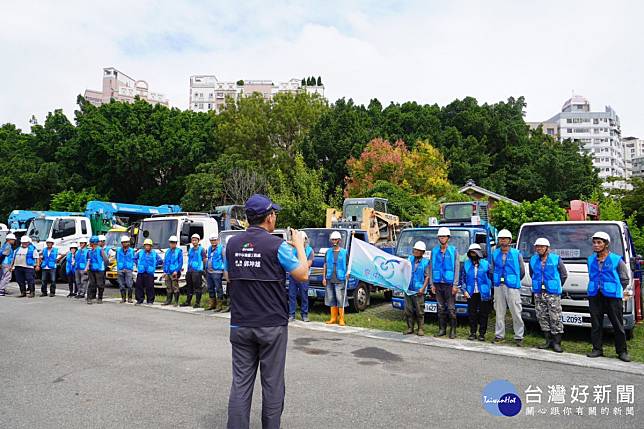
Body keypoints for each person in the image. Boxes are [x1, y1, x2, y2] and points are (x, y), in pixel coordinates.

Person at [224, 194, 309, 429]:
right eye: (275, 214)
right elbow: (302, 274)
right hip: (271, 325)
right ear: (269, 217)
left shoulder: (231, 245)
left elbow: (229, 276)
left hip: (240, 324)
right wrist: (300, 246)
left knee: (241, 384)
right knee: (272, 384)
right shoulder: (278, 246)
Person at [586, 231, 631, 362]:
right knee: (596, 324)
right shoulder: (590, 260)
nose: (596, 245)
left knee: (617, 324)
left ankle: (622, 351)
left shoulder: (617, 260)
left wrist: (615, 290)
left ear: (606, 244)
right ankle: (597, 349)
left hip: (613, 297)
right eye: (594, 242)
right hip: (595, 295)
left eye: (599, 242)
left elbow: (624, 279)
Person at [529, 238, 568, 353]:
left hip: (552, 293)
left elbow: (563, 275)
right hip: (539, 292)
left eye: (541, 246)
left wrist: (555, 285)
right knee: (542, 316)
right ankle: (548, 341)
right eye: (537, 247)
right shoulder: (533, 259)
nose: (539, 248)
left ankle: (557, 343)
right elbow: (532, 274)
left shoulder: (556, 259)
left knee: (555, 317)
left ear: (547, 248)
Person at [490, 229, 526, 346]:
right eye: (501, 239)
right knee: (499, 312)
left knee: (516, 311)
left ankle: (519, 336)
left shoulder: (516, 254)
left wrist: (513, 281)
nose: (503, 240)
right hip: (498, 286)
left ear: (510, 240)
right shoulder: (495, 253)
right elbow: (492, 269)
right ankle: (499, 335)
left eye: (505, 238)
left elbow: (522, 271)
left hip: (512, 287)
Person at [429, 227, 460, 338]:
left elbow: (457, 268)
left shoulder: (453, 251)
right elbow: (431, 267)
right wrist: (431, 284)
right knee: (440, 307)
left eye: (444, 236)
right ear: (438, 238)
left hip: (449, 284)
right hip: (438, 283)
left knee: (451, 308)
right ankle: (442, 329)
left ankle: (453, 331)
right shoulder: (434, 251)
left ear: (448, 238)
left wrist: (455, 284)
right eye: (440, 236)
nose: (442, 238)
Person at [460, 243, 492, 341]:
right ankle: (473, 333)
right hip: (471, 292)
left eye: (475, 252)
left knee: (483, 313)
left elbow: (491, 278)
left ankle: (482, 334)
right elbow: (462, 279)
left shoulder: (486, 264)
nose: (473, 254)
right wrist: (464, 291)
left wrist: (490, 290)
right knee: (472, 313)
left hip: (484, 292)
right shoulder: (466, 264)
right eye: (471, 253)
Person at [322, 231, 349, 326]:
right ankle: (333, 318)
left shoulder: (344, 252)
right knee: (331, 298)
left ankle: (341, 319)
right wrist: (324, 278)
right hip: (329, 278)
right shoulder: (328, 252)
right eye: (333, 239)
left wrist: (348, 274)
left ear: (339, 240)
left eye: (336, 239)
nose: (334, 241)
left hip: (340, 278)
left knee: (340, 298)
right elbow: (325, 264)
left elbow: (348, 265)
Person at [404, 241, 429, 336]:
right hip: (408, 288)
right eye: (414, 250)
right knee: (408, 310)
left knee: (419, 310)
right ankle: (410, 328)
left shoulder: (426, 262)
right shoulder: (409, 259)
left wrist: (423, 289)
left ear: (422, 252)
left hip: (419, 290)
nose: (415, 251)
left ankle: (420, 329)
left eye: (418, 250)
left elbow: (427, 276)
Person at [288, 231, 314, 322]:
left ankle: (304, 314)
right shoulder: (293, 249)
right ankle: (291, 314)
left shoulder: (310, 250)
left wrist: (299, 267)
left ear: (305, 240)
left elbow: (309, 263)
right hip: (293, 276)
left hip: (304, 276)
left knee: (304, 295)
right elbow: (290, 262)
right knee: (291, 295)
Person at [181, 234, 206, 308]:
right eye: (193, 240)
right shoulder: (190, 249)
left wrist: (204, 270)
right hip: (190, 270)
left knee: (197, 287)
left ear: (199, 241)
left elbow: (204, 260)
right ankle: (188, 301)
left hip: (198, 270)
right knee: (189, 287)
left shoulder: (202, 249)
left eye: (195, 240)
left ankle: (197, 303)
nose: (194, 242)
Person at [134, 238, 162, 305]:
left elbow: (160, 260)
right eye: (146, 245)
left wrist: (154, 265)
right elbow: (134, 258)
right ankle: (139, 299)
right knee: (139, 286)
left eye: (148, 245)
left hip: (149, 272)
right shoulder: (140, 252)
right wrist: (138, 264)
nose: (147, 247)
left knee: (150, 287)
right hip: (141, 271)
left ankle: (150, 300)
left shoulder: (154, 253)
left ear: (151, 246)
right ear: (144, 246)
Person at [206, 233, 225, 311]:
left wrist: (224, 270)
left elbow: (224, 259)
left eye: (214, 240)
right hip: (209, 271)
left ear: (217, 240)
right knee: (210, 287)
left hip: (217, 271)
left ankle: (219, 305)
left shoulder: (221, 248)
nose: (213, 242)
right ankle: (212, 304)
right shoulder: (210, 248)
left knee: (218, 288)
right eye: (211, 240)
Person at [162, 235, 183, 307]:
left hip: (174, 272)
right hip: (167, 272)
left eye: (174, 242)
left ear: (176, 243)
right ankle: (168, 300)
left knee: (175, 287)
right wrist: (164, 271)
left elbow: (180, 262)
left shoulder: (179, 251)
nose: (172, 244)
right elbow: (165, 262)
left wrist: (176, 271)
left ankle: (176, 302)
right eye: (171, 242)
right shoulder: (167, 251)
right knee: (168, 287)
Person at [87, 236, 107, 304]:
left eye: (91, 242)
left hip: (99, 269)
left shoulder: (100, 250)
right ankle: (90, 298)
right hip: (91, 269)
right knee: (91, 284)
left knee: (100, 284)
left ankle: (100, 298)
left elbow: (106, 259)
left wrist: (104, 267)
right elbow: (88, 259)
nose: (90, 244)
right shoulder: (89, 250)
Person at [116, 235, 135, 303]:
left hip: (128, 269)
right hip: (120, 268)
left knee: (129, 284)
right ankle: (123, 298)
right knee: (121, 285)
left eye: (126, 242)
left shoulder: (132, 251)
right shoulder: (118, 250)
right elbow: (116, 258)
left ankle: (129, 298)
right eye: (123, 242)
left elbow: (134, 259)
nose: (125, 243)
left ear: (128, 243)